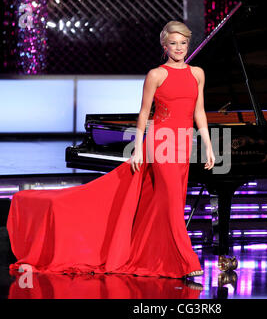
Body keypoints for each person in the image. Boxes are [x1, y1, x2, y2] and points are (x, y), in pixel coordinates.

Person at [7, 21, 215, 278]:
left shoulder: (197, 73)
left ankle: (153, 258)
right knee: (172, 204)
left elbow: (199, 112)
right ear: (165, 46)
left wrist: (207, 145)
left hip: (183, 144)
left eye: (183, 43)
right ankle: (188, 261)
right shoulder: (156, 75)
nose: (179, 48)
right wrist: (139, 148)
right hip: (160, 144)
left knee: (166, 204)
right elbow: (143, 113)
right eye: (174, 43)